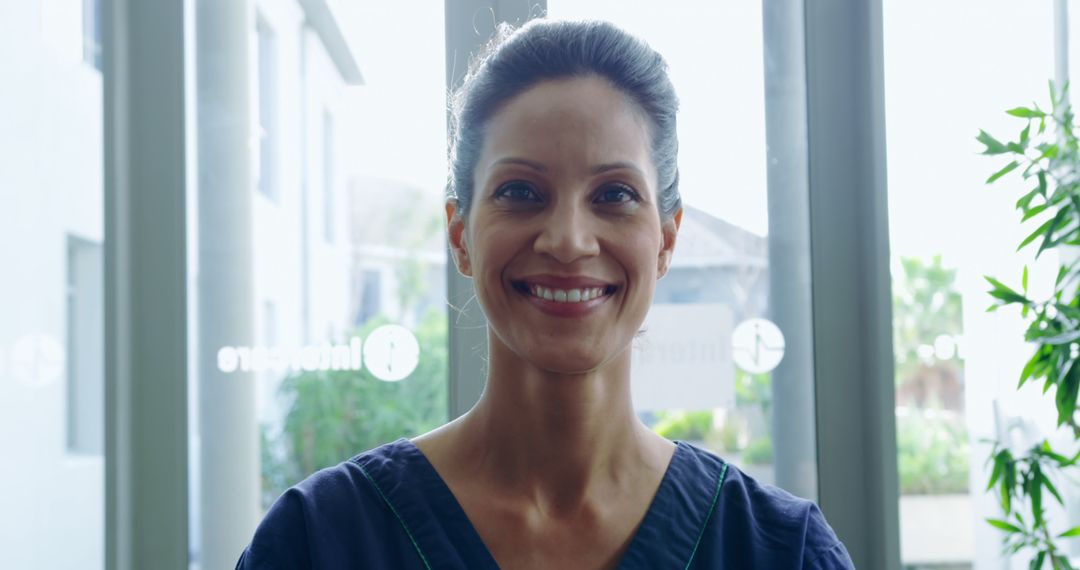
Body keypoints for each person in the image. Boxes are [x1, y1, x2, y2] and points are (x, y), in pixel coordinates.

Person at [236, 18, 855, 569]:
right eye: (521, 192)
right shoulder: (322, 541)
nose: (567, 240)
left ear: (665, 241)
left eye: (614, 194)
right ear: (460, 234)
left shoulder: (779, 549)